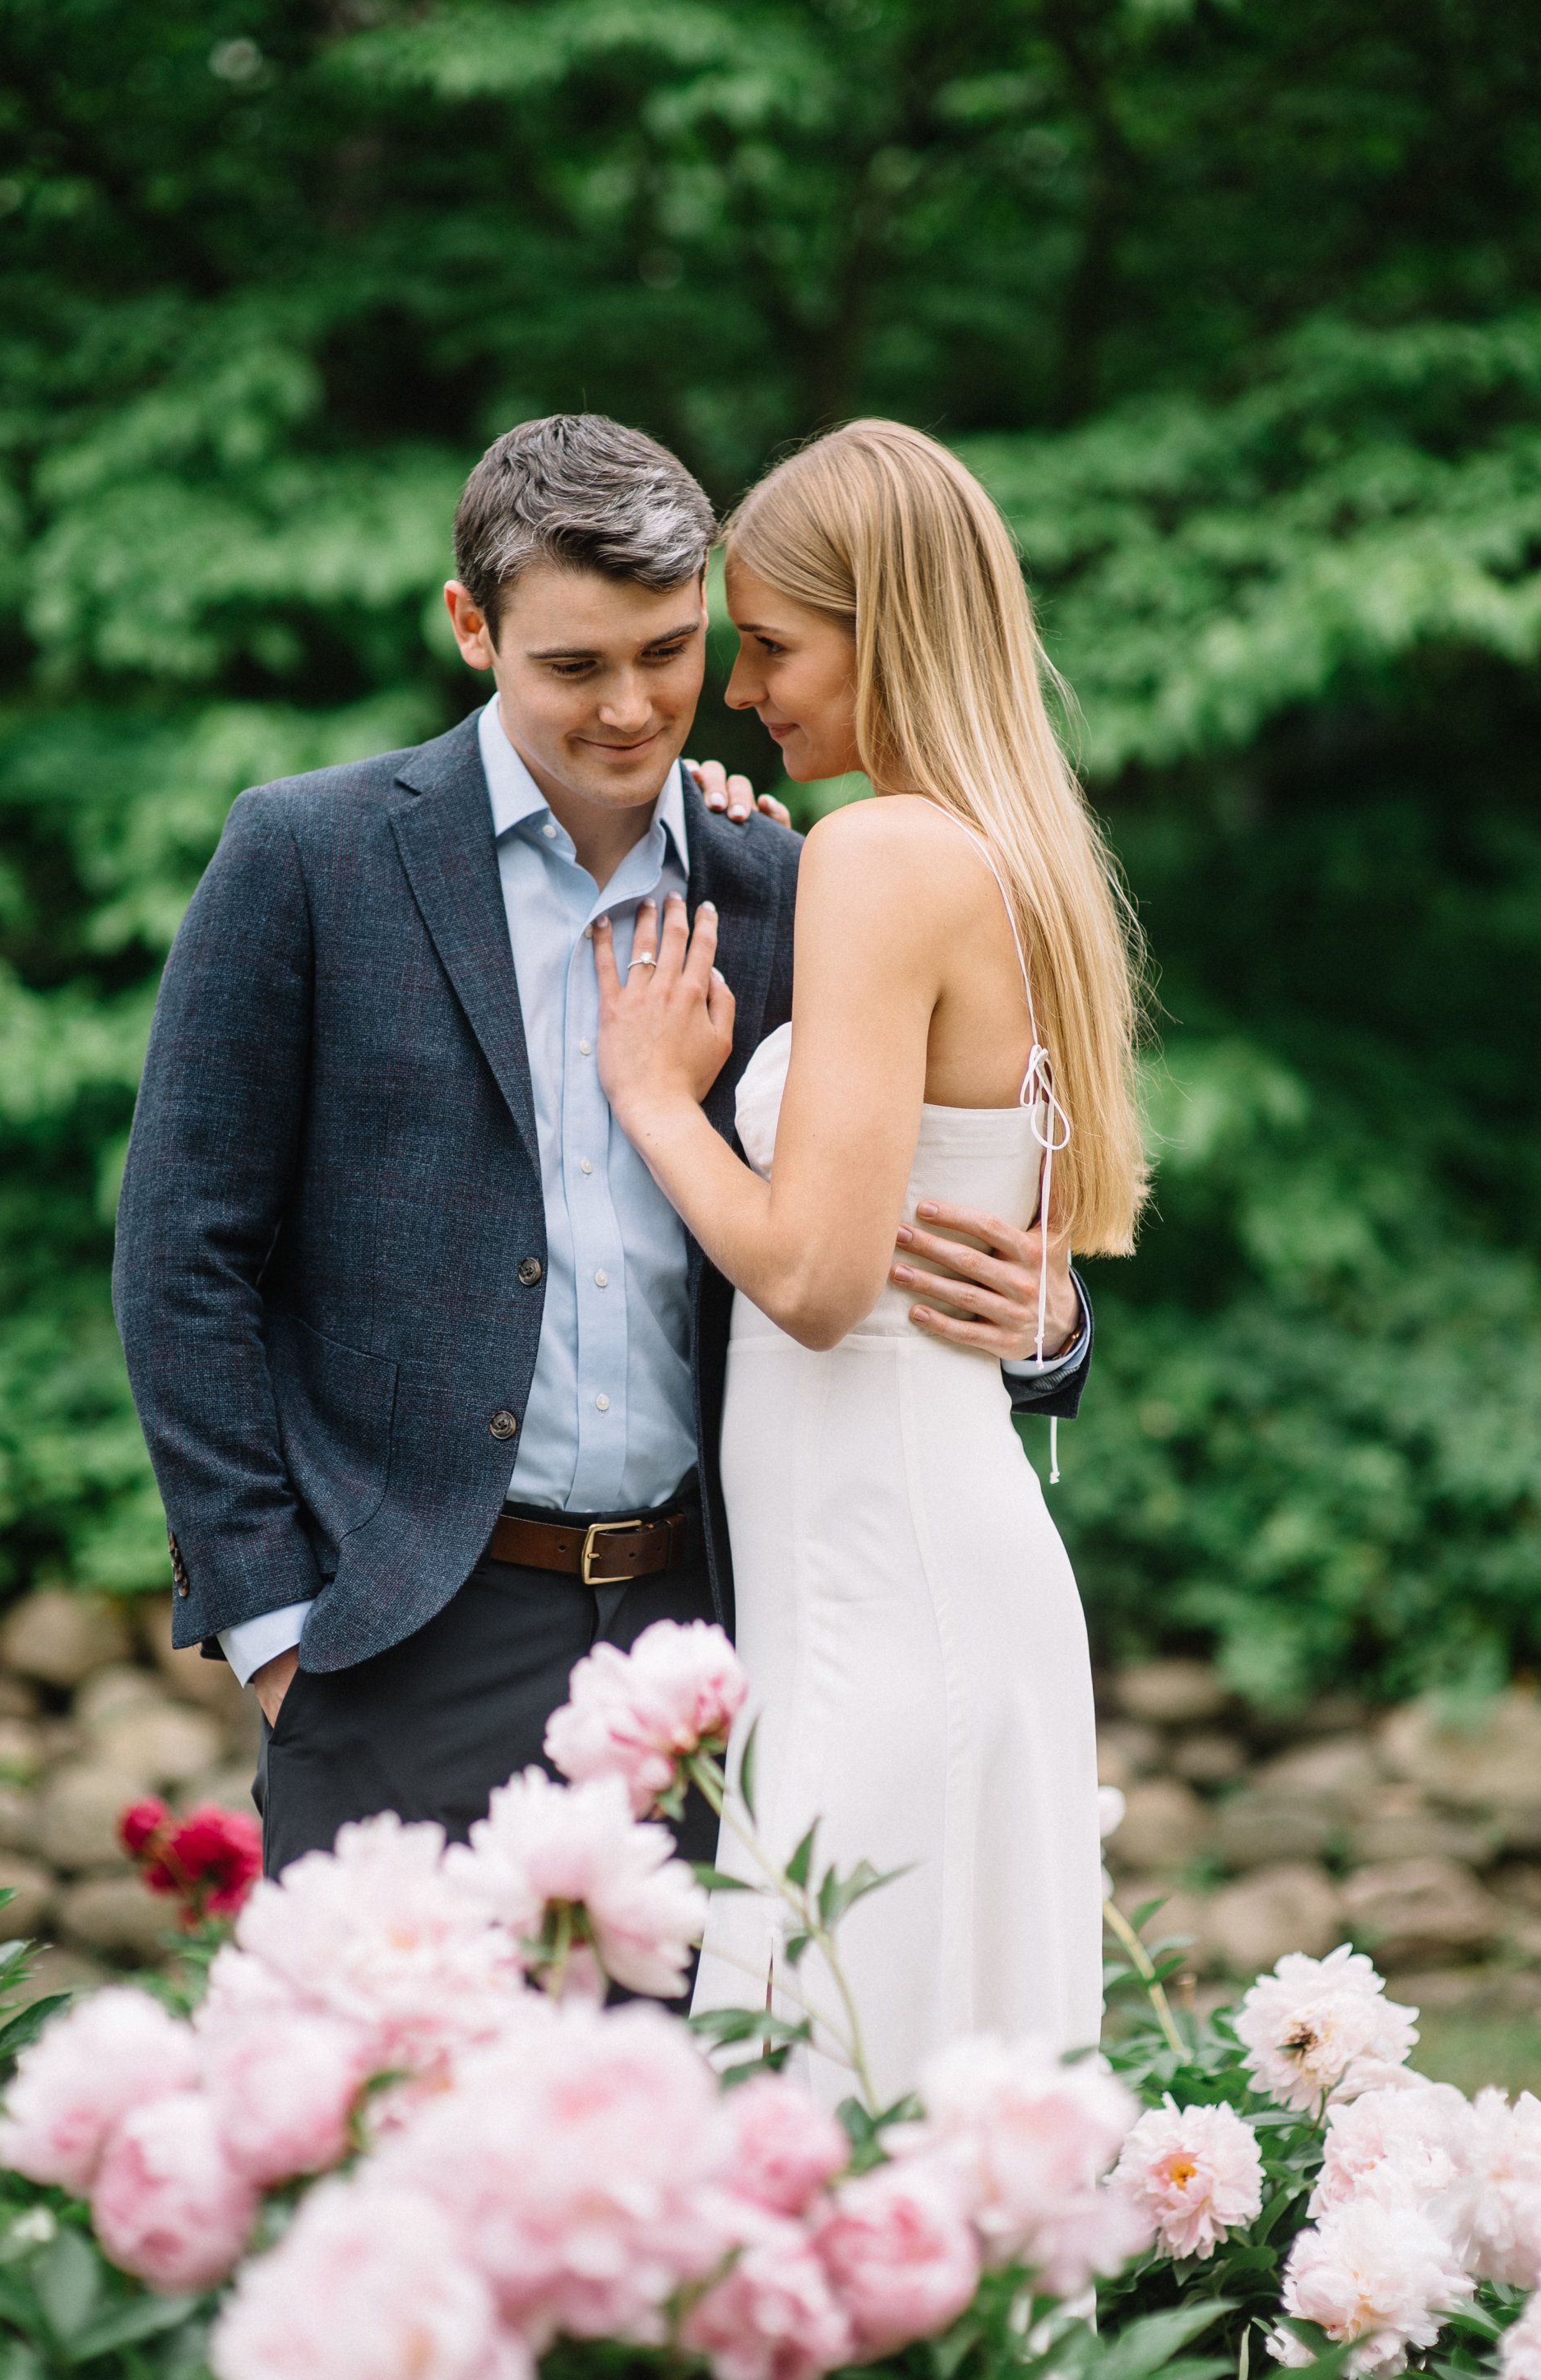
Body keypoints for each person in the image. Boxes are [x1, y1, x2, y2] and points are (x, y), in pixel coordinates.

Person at [112, 414, 1092, 1884]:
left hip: (724, 1648)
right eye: (574, 666)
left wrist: (1047, 1328)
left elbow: (890, 1224)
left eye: (670, 652)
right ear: (470, 626)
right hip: (397, 1642)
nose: (635, 710)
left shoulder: (790, 880)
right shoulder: (304, 858)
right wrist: (274, 1632)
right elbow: (182, 1260)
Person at [594, 418, 1144, 2100]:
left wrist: (656, 1099)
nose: (744, 687)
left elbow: (820, 1282)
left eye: (772, 644)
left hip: (880, 1592)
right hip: (913, 1553)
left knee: (832, 2077)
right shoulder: (992, 848)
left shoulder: (887, 853)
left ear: (885, 622)